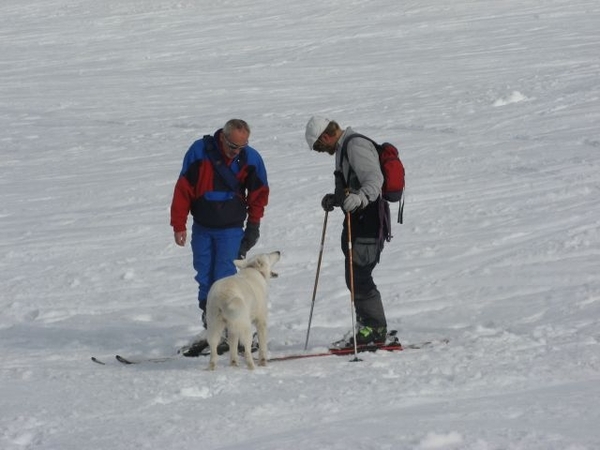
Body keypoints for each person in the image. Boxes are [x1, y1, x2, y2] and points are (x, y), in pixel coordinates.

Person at [170, 119, 269, 355]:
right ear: (222, 138)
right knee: (205, 277)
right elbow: (183, 188)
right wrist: (178, 224)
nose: (236, 151)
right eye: (233, 146)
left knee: (224, 280)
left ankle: (239, 333)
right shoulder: (199, 151)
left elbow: (259, 194)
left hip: (231, 229)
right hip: (203, 227)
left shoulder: (250, 158)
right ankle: (212, 329)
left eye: (241, 147)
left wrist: (253, 226)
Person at [305, 116, 390, 347]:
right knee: (353, 276)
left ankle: (376, 328)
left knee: (360, 275)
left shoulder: (355, 145)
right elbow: (351, 183)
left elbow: (374, 180)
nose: (322, 152)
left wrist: (360, 198)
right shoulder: (344, 148)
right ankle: (367, 325)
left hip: (369, 220)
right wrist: (336, 199)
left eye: (320, 147)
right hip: (356, 219)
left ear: (325, 136)